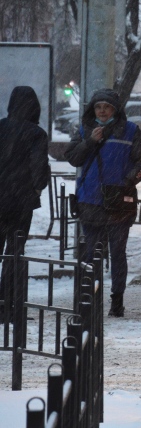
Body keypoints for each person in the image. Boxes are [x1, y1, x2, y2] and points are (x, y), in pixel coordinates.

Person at [65, 89, 141, 318]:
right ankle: (89, 300)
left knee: (117, 252)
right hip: (90, 201)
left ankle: (117, 301)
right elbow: (73, 157)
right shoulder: (85, 130)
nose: (102, 111)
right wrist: (91, 142)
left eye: (106, 107)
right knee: (90, 254)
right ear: (92, 110)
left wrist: (127, 181)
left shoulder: (131, 130)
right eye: (98, 107)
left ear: (115, 109)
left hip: (119, 203)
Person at [0, 86, 50, 322]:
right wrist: (36, 187)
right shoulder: (36, 134)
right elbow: (39, 169)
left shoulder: (0, 128)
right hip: (21, 202)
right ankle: (10, 306)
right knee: (15, 253)